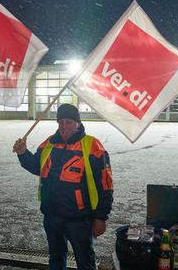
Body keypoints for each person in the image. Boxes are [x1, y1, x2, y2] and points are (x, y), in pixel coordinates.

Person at [13, 104, 114, 270]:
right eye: (61, 122)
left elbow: (106, 185)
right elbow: (38, 167)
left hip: (79, 219)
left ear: (78, 124)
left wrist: (101, 217)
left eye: (68, 122)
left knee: (85, 261)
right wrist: (23, 153)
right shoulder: (49, 144)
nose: (64, 126)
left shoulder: (92, 146)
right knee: (56, 259)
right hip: (52, 216)